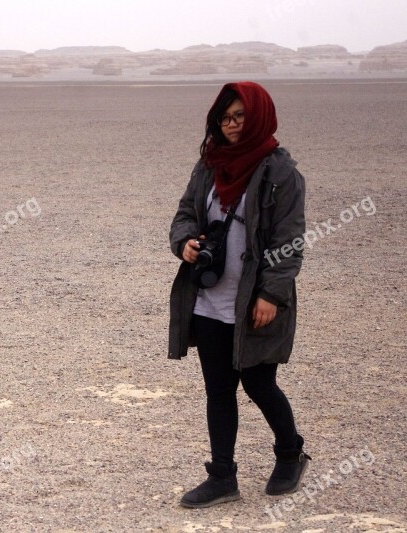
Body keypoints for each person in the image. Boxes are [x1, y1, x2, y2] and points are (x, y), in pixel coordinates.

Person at [168, 81, 311, 509]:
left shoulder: (282, 173)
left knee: (260, 383)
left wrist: (271, 294)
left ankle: (290, 454)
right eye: (225, 117)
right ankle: (222, 477)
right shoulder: (209, 165)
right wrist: (186, 242)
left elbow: (290, 243)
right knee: (218, 389)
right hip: (210, 298)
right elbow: (183, 215)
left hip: (255, 302)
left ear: (258, 117)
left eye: (240, 116)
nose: (231, 125)